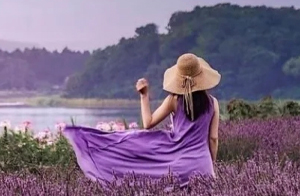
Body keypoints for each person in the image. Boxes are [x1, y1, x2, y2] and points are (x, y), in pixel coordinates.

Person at [62, 53, 221, 186]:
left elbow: (148, 124)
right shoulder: (213, 103)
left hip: (178, 166)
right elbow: (213, 139)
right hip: (202, 166)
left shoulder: (174, 100)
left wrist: (144, 96)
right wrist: (210, 164)